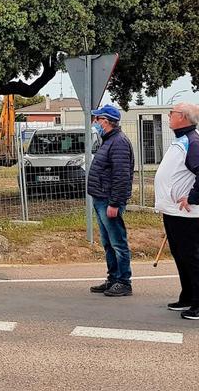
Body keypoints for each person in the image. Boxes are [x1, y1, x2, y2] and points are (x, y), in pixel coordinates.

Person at [154, 102, 199, 320]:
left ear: (183, 117)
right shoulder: (181, 139)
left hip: (186, 211)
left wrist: (193, 197)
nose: (169, 116)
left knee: (192, 257)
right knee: (181, 256)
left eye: (172, 113)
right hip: (173, 210)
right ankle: (188, 296)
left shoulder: (193, 141)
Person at [85, 104, 135, 297]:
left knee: (117, 242)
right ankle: (113, 278)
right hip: (101, 198)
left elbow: (121, 176)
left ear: (105, 121)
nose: (95, 122)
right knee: (108, 242)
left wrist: (114, 203)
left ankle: (124, 281)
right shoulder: (109, 140)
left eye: (97, 119)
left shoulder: (119, 142)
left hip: (109, 200)